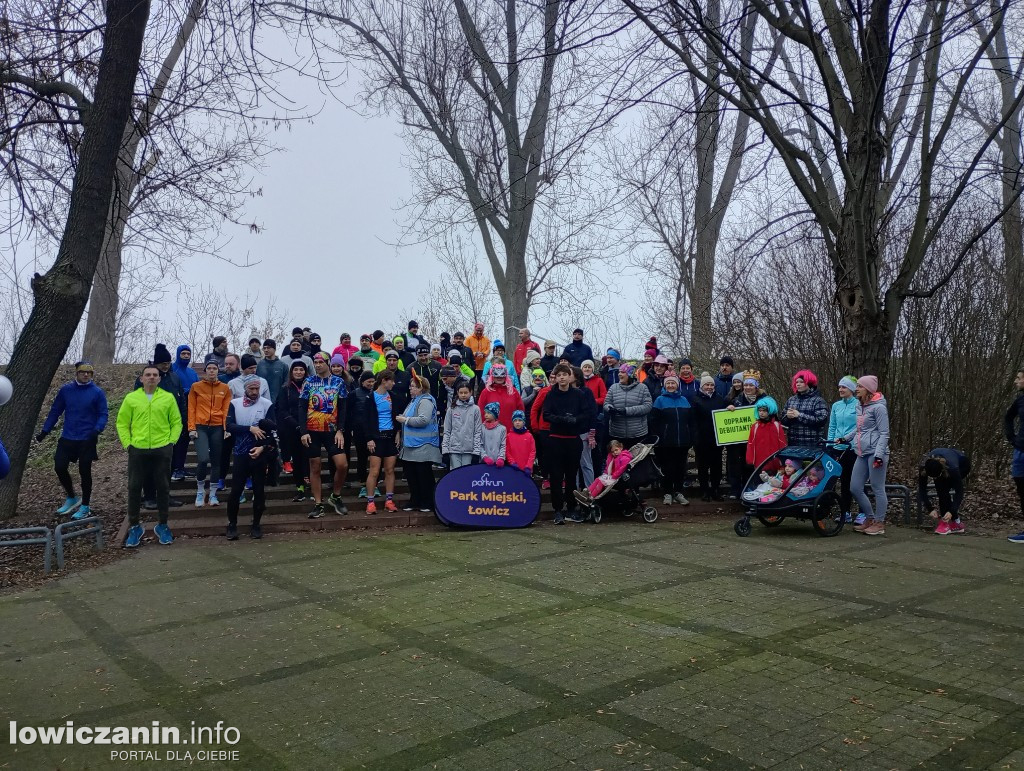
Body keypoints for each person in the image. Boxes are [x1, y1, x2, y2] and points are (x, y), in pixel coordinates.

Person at [117, 365, 182, 547]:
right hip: (138, 449)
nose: (152, 377)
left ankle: (162, 525)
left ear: (159, 379)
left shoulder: (167, 398)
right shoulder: (132, 398)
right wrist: (127, 444)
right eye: (148, 375)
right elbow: (122, 423)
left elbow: (176, 422)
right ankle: (135, 526)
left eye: (155, 375)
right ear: (141, 378)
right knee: (134, 487)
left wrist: (171, 442)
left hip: (162, 449)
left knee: (163, 487)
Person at [36, 362, 108, 518]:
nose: (86, 375)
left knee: (84, 472)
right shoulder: (66, 391)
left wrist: (97, 429)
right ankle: (71, 497)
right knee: (59, 466)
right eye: (83, 372)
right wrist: (45, 431)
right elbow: (55, 411)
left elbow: (103, 414)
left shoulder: (97, 393)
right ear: (76, 373)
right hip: (68, 437)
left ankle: (85, 506)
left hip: (87, 438)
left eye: (89, 372)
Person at [543, 363, 595, 523]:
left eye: (565, 374)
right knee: (556, 477)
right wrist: (562, 419)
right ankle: (558, 510)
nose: (562, 377)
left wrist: (574, 420)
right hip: (556, 439)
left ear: (569, 376)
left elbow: (586, 413)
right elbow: (546, 414)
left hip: (573, 440)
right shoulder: (551, 395)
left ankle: (571, 508)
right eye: (559, 375)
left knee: (572, 476)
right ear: (556, 378)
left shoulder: (578, 395)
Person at [225, 378, 276, 540]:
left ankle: (256, 524)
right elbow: (230, 426)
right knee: (236, 491)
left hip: (259, 452)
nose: (254, 392)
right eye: (251, 389)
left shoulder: (267, 404)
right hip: (241, 452)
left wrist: (262, 448)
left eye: (257, 389)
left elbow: (273, 431)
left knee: (259, 491)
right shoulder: (235, 403)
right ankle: (232, 524)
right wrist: (250, 428)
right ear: (245, 389)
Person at [299, 352, 348, 519]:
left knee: (342, 465)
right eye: (315, 362)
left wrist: (341, 429)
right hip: (312, 430)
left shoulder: (339, 382)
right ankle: (318, 504)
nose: (317, 365)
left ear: (328, 363)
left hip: (332, 430)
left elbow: (342, 407)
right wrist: (303, 431)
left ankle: (335, 496)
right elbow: (301, 407)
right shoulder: (309, 382)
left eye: (321, 362)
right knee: (315, 467)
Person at [839, 375, 890, 536]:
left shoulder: (879, 408)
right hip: (861, 452)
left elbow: (884, 433)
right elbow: (860, 429)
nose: (857, 389)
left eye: (860, 386)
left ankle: (879, 522)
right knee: (854, 487)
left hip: (876, 453)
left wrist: (879, 455)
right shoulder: (860, 406)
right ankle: (869, 518)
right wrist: (845, 438)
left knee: (877, 488)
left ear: (867, 389)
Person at [188, 361, 232, 508]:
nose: (212, 371)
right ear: (205, 371)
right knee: (202, 459)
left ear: (218, 371)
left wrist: (226, 429)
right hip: (200, 426)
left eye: (214, 368)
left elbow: (226, 410)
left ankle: (213, 493)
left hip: (217, 427)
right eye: (209, 368)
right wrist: (191, 428)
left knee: (216, 461)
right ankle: (200, 490)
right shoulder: (196, 387)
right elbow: (191, 408)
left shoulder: (225, 388)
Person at [397, 374, 441, 512]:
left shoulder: (426, 401)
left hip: (423, 445)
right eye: (410, 386)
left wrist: (405, 420)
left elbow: (423, 420)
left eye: (413, 387)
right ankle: (414, 500)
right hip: (411, 445)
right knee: (412, 475)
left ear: (421, 388)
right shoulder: (415, 400)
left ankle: (427, 501)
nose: (410, 389)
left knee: (423, 475)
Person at [361, 370, 400, 514]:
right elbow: (365, 419)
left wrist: (398, 433)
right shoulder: (371, 397)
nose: (394, 383)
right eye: (391, 381)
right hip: (376, 437)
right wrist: (369, 438)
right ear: (384, 381)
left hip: (390, 437)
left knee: (390, 470)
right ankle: (370, 502)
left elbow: (396, 415)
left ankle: (389, 501)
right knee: (374, 471)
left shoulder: (393, 396)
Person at [651, 374, 692, 506]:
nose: (670, 385)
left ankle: (678, 492)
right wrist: (658, 438)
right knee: (668, 468)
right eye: (668, 383)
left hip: (683, 441)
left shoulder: (684, 400)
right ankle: (667, 493)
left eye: (673, 383)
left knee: (680, 468)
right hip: (666, 442)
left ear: (677, 385)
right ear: (664, 385)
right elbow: (653, 421)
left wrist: (690, 435)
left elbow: (690, 421)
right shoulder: (659, 400)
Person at [688, 372, 729, 501]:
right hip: (701, 439)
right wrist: (695, 438)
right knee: (703, 466)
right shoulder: (695, 399)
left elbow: (725, 415)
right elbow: (692, 421)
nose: (710, 387)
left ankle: (716, 489)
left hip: (717, 438)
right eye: (707, 385)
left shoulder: (720, 399)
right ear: (702, 386)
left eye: (712, 385)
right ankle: (704, 490)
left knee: (716, 466)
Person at [275, 360, 310, 500]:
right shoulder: (286, 388)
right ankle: (300, 488)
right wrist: (296, 425)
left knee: (310, 458)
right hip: (293, 427)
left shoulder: (311, 386)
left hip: (311, 427)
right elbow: (282, 410)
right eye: (296, 370)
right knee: (297, 457)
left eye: (301, 370)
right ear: (291, 372)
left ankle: (312, 485)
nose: (298, 372)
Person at [827, 376, 859, 523]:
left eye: (844, 387)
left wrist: (851, 442)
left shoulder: (858, 405)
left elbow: (860, 427)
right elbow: (832, 426)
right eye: (839, 387)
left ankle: (855, 512)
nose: (840, 389)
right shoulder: (836, 406)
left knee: (851, 482)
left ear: (851, 389)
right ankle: (838, 510)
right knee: (836, 481)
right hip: (836, 447)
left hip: (852, 449)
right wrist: (830, 445)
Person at [918, 449, 970, 535]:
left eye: (936, 477)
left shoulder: (953, 468)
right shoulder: (924, 467)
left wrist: (951, 511)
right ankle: (953, 522)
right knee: (941, 490)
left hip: (963, 465)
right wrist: (929, 508)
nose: (934, 479)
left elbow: (959, 492)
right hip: (942, 465)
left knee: (943, 488)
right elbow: (922, 488)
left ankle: (951, 521)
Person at [604, 363, 652, 447]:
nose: (619, 374)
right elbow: (606, 403)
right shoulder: (613, 388)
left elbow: (647, 406)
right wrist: (610, 409)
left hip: (637, 433)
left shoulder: (642, 388)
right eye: (619, 372)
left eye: (622, 372)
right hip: (617, 433)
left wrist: (627, 411)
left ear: (630, 374)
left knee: (636, 459)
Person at [347, 370, 378, 498]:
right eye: (368, 381)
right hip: (359, 430)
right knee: (361, 457)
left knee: (375, 457)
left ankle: (374, 484)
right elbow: (349, 411)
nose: (371, 384)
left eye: (372, 381)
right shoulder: (354, 394)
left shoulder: (377, 393)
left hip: (374, 430)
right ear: (362, 382)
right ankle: (363, 482)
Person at [781, 369, 829, 447]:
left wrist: (799, 415)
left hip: (812, 445)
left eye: (801, 382)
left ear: (809, 383)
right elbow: (782, 420)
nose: (798, 384)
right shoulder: (791, 400)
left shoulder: (818, 401)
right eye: (797, 382)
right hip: (793, 445)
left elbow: (821, 421)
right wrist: (787, 417)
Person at [443, 380, 482, 469]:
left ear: (471, 392)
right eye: (461, 393)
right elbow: (447, 430)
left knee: (466, 476)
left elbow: (477, 431)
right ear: (457, 393)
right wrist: (445, 449)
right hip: (454, 449)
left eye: (466, 392)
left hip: (469, 450)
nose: (463, 395)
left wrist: (476, 451)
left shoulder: (476, 409)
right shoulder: (452, 409)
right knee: (455, 476)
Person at [745, 396, 788, 475]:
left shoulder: (776, 426)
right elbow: (750, 444)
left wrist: (782, 462)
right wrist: (750, 460)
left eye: (764, 411)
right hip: (759, 464)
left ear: (770, 410)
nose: (761, 413)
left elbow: (782, 444)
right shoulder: (755, 427)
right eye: (760, 410)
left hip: (774, 464)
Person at [1005, 370, 1024, 543]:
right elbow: (1008, 418)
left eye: (1018, 378)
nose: (1015, 381)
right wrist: (1012, 438)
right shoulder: (1020, 401)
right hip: (1020, 452)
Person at [478, 365, 524, 431]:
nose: (499, 378)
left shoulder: (513, 391)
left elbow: (520, 410)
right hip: (491, 431)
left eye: (502, 376)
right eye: (496, 376)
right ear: (492, 376)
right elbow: (481, 411)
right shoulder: (486, 392)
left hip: (511, 431)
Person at [506, 410, 536, 474]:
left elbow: (532, 452)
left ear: (523, 422)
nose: (517, 422)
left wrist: (529, 466)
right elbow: (507, 451)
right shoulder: (509, 436)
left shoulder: (529, 436)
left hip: (526, 470)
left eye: (519, 420)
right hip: (513, 468)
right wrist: (512, 462)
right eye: (515, 420)